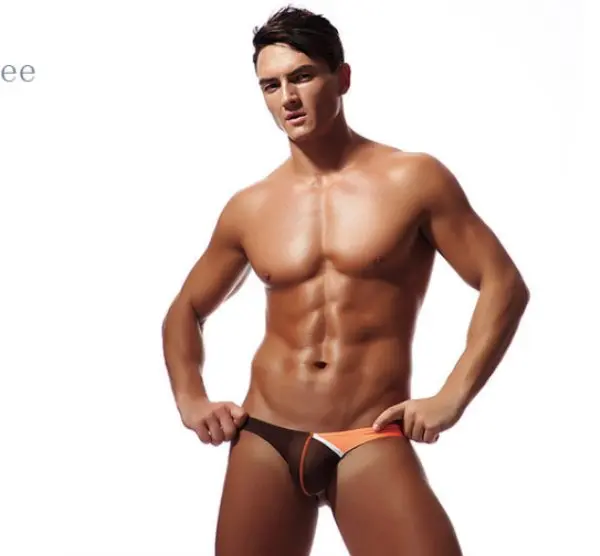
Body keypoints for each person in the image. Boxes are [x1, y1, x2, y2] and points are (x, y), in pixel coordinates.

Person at [161, 6, 530, 555]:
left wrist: (453, 396)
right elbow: (186, 309)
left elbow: (502, 283)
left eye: (303, 76)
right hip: (264, 435)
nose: (287, 97)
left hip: (366, 434)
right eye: (270, 85)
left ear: (343, 78)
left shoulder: (412, 179)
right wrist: (191, 398)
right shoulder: (250, 207)